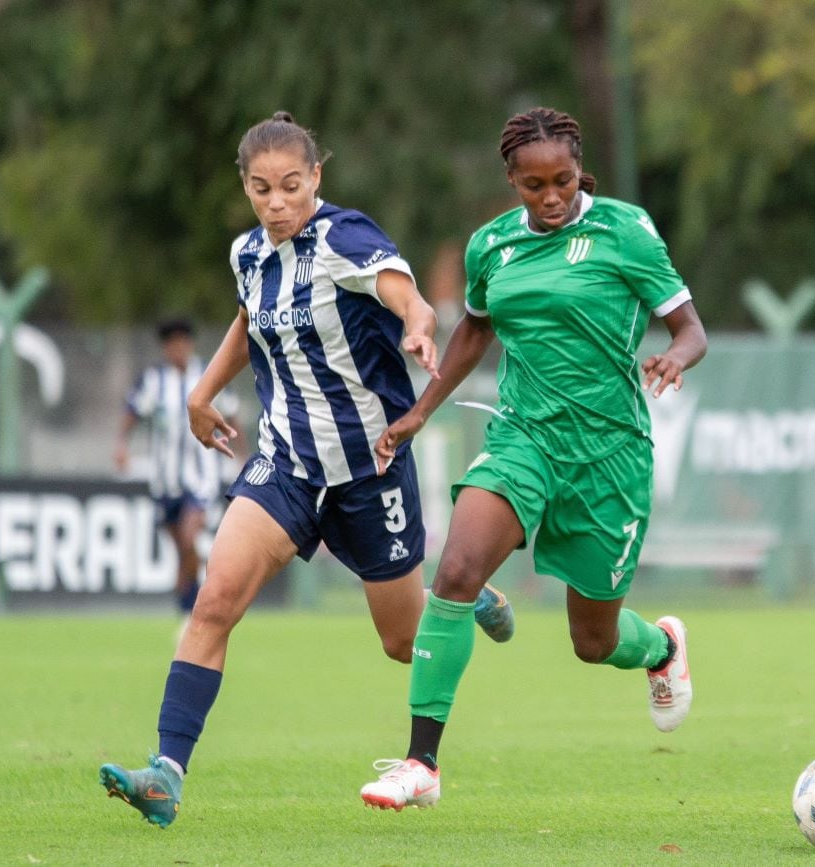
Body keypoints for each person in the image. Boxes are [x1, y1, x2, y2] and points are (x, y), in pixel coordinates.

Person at [97, 112, 514, 828]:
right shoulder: (249, 254)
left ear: (316, 177)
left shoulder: (344, 236)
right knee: (213, 601)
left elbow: (397, 284)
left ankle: (461, 594)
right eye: (262, 189)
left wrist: (417, 319)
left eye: (292, 185)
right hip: (284, 464)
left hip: (369, 468)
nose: (278, 202)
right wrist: (201, 392)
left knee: (403, 643)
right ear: (247, 187)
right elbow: (248, 318)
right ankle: (166, 771)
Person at [359, 107, 708, 811]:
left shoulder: (625, 230)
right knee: (455, 570)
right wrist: (421, 411)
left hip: (608, 456)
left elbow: (690, 327)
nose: (550, 197)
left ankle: (662, 648)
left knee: (592, 638)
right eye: (534, 185)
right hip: (523, 438)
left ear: (581, 169)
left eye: (563, 181)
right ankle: (420, 763)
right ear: (511, 180)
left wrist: (674, 355)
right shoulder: (491, 246)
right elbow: (475, 330)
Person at [116, 318, 237, 619]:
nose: (178, 348)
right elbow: (132, 413)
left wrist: (241, 452)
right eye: (171, 343)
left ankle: (191, 610)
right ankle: (187, 600)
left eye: (182, 341)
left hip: (201, 477)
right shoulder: (153, 381)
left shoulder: (207, 375)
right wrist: (121, 445)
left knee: (188, 537)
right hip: (164, 480)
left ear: (190, 344)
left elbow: (232, 414)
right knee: (181, 548)